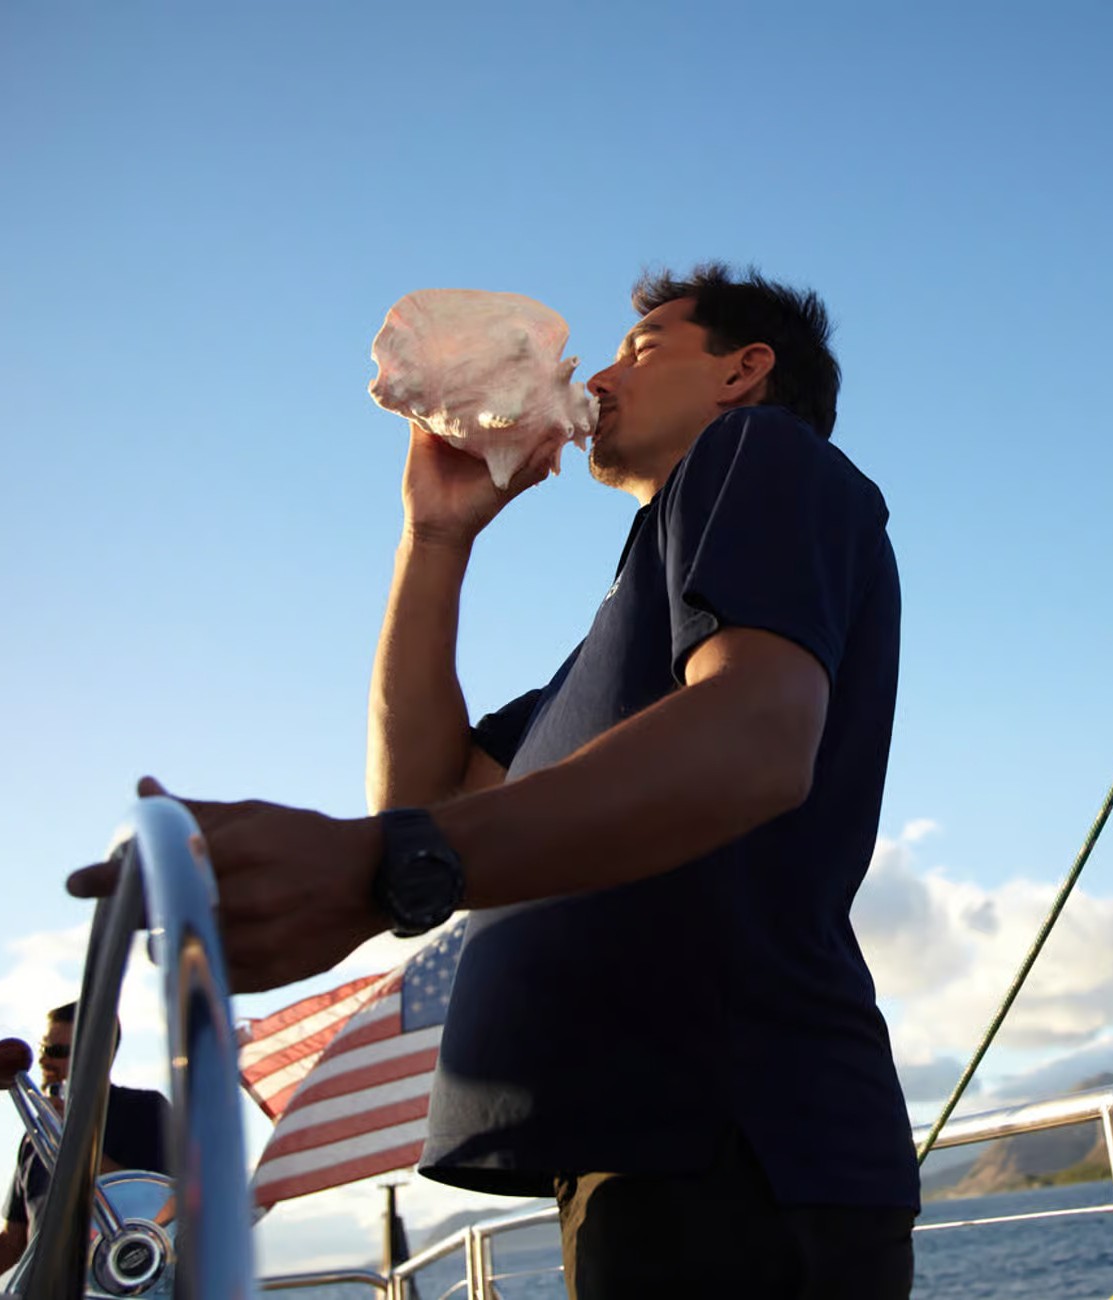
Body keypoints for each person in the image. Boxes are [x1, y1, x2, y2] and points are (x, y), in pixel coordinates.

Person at [69, 263, 920, 1297]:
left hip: (734, 1137)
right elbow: (425, 794)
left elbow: (756, 734)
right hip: (648, 1152)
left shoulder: (759, 451)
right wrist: (434, 538)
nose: (600, 376)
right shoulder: (614, 649)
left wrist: (388, 867)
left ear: (744, 372)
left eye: (641, 350)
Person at [0, 1003, 170, 1290]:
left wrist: (71, 1138)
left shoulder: (145, 1112)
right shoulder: (34, 1139)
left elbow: (166, 1204)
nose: (43, 1061)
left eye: (58, 1052)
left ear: (98, 1058)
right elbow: (12, 1243)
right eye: (42, 1049)